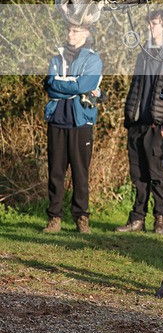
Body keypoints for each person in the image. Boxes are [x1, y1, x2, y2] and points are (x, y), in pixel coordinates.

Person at [115, 9, 163, 235]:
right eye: (150, 23)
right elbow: (136, 86)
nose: (150, 27)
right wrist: (129, 117)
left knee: (159, 175)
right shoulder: (144, 53)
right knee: (138, 174)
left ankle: (161, 219)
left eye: (155, 24)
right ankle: (137, 218)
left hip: (157, 125)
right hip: (137, 123)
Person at [42, 24, 103, 234]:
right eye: (68, 30)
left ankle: (81, 218)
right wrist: (71, 85)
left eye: (75, 31)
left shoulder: (93, 59)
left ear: (86, 33)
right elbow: (49, 84)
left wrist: (64, 85)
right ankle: (54, 218)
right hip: (57, 119)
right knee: (55, 173)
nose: (70, 34)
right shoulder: (56, 58)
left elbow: (83, 86)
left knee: (80, 173)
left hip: (81, 121)